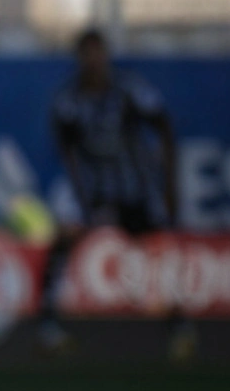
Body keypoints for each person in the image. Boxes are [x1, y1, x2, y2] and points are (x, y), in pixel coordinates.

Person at [40, 27, 193, 360]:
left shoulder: (129, 90)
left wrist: (169, 184)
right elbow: (64, 149)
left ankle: (179, 325)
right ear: (79, 58)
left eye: (99, 53)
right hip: (93, 190)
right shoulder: (69, 99)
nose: (94, 61)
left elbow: (164, 127)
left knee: (157, 253)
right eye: (87, 53)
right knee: (63, 241)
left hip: (134, 189)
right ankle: (48, 324)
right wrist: (77, 193)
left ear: (107, 55)